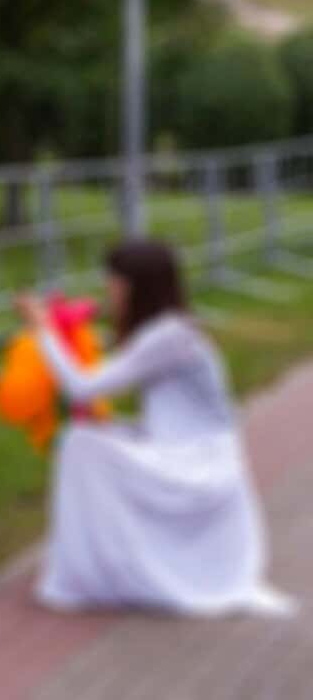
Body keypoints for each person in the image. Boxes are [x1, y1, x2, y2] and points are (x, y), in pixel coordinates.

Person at [17, 239, 295, 617]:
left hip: (198, 462)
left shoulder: (168, 338)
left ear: (134, 286)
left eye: (113, 282)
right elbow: (176, 415)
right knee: (87, 441)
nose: (108, 291)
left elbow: (82, 386)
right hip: (192, 451)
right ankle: (99, 565)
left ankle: (89, 573)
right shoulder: (170, 333)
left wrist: (44, 332)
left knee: (81, 446)